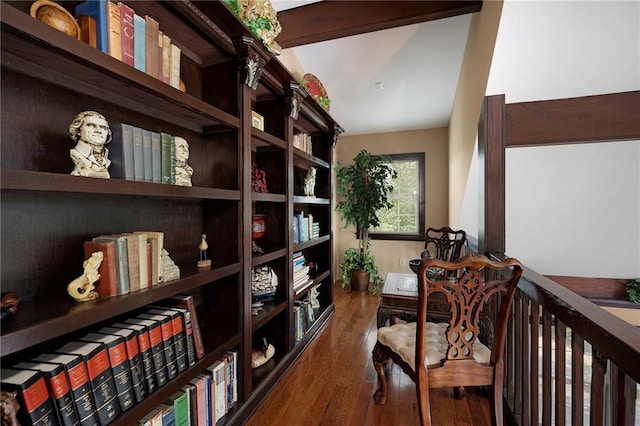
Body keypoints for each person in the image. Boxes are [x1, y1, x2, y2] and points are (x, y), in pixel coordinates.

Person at [69, 111, 112, 178]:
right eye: (91, 125)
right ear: (79, 131)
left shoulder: (106, 157)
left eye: (103, 127)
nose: (98, 130)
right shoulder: (75, 153)